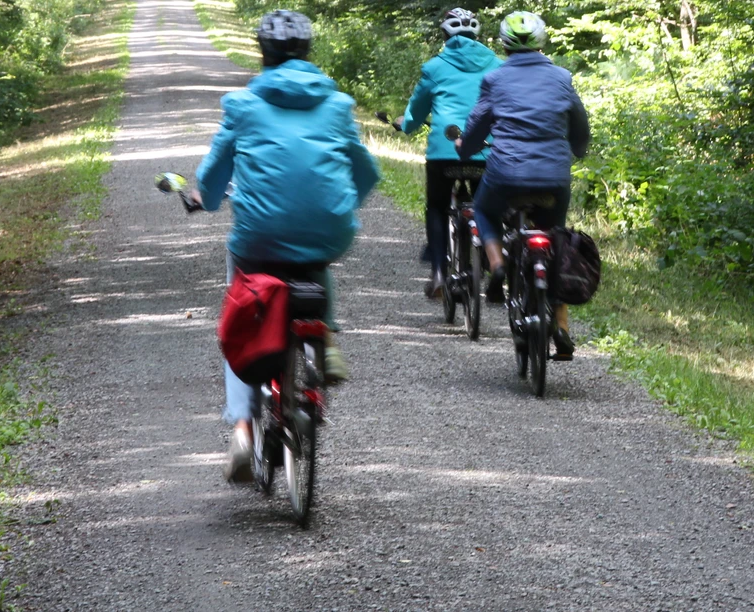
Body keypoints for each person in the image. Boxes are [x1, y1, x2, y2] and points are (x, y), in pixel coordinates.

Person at [195, 9, 380, 483]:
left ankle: (241, 431)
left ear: (264, 53)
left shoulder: (241, 104)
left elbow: (214, 179)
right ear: (307, 52)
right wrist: (342, 206)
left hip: (258, 239)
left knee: (242, 310)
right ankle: (327, 339)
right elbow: (367, 172)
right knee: (314, 257)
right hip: (329, 230)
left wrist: (208, 199)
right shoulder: (337, 105)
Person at [457, 11, 589, 360]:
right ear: (542, 40)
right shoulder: (562, 77)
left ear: (503, 43)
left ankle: (498, 263)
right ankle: (560, 323)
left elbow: (475, 129)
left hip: (505, 174)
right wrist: (578, 150)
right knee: (556, 237)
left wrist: (464, 148)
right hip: (554, 177)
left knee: (483, 210)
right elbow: (579, 124)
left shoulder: (495, 79)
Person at [392, 8, 501, 298]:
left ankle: (439, 272)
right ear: (477, 36)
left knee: (437, 208)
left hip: (444, 153)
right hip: (486, 152)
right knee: (488, 209)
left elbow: (416, 112)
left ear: (444, 35)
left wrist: (406, 125)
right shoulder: (498, 66)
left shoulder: (434, 67)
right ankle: (493, 263)